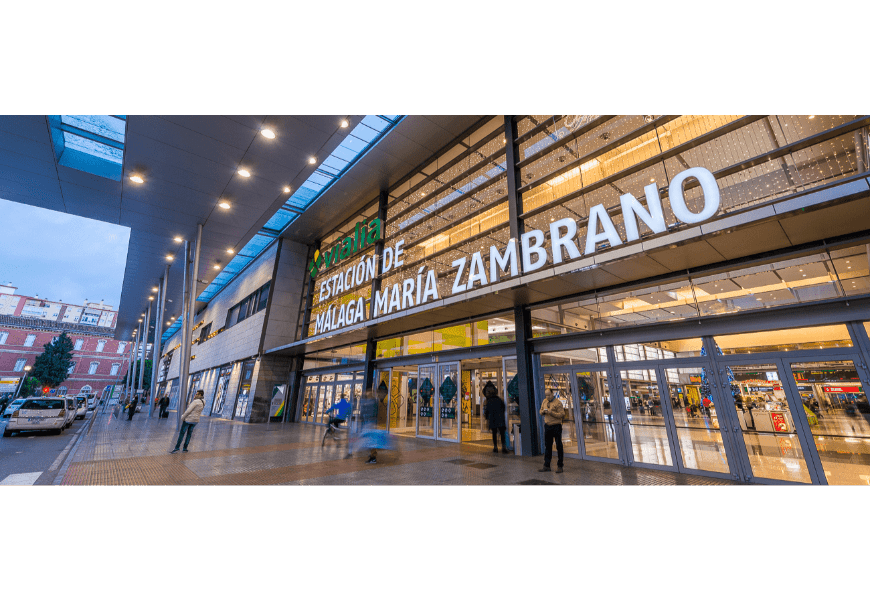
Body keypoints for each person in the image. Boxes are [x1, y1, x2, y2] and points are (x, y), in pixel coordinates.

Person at [539, 389, 565, 473]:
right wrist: (542, 412)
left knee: (558, 446)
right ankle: (547, 465)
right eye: (546, 395)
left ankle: (560, 465)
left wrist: (551, 413)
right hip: (548, 426)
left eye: (549, 395)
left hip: (556, 426)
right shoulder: (544, 401)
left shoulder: (558, 403)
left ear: (552, 394)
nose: (547, 397)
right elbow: (540, 410)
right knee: (548, 446)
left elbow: (562, 414)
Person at [483, 386, 508, 454]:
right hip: (500, 419)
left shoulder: (489, 401)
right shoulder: (499, 400)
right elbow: (504, 408)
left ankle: (495, 447)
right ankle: (503, 447)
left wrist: (487, 418)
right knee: (502, 434)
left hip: (493, 420)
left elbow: (486, 411)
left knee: (494, 434)